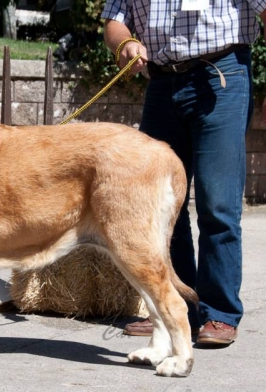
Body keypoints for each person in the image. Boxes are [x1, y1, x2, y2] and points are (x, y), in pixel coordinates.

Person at [101, 0, 266, 346]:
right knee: (160, 205)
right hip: (162, 86)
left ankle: (219, 313)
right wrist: (125, 43)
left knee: (216, 201)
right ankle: (174, 308)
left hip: (220, 76)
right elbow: (114, 22)